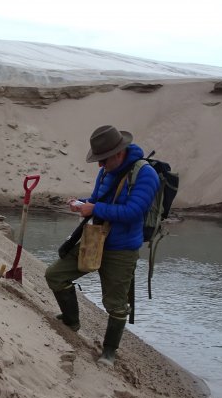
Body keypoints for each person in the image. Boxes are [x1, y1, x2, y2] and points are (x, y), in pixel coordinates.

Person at [45, 125, 159, 366]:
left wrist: (94, 209)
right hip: (95, 239)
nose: (99, 166)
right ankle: (71, 322)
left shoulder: (146, 174)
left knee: (116, 305)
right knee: (55, 275)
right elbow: (99, 200)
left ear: (119, 153)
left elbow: (133, 212)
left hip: (123, 248)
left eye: (102, 160)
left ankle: (109, 352)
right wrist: (82, 204)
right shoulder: (107, 171)